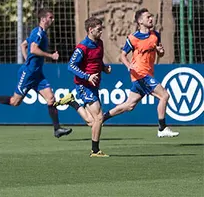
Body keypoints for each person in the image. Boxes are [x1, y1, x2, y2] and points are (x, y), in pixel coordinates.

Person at [0, 8, 72, 138]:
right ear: (43, 19)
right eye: (51, 17)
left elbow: (23, 45)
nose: (52, 20)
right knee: (15, 102)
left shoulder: (40, 33)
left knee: (51, 99)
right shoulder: (38, 33)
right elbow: (33, 49)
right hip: (28, 74)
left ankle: (57, 129)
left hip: (37, 74)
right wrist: (50, 56)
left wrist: (28, 60)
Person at [101, 9, 179, 138]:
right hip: (140, 74)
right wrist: (129, 66)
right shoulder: (133, 38)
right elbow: (122, 55)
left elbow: (160, 52)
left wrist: (161, 51)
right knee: (164, 96)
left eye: (151, 16)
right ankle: (162, 127)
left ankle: (103, 117)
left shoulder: (155, 35)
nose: (151, 19)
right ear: (140, 21)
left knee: (129, 105)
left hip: (146, 74)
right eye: (148, 17)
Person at [54, 16, 111, 157]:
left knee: (93, 122)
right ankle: (95, 151)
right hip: (83, 85)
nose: (101, 32)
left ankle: (72, 102)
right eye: (99, 29)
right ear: (90, 30)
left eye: (101, 29)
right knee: (98, 117)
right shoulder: (82, 47)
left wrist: (103, 68)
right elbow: (71, 66)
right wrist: (87, 76)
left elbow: (96, 61)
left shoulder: (100, 43)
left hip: (94, 85)